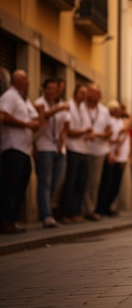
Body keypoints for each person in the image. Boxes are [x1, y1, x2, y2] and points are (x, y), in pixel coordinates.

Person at [0, 70, 39, 233]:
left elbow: (36, 119)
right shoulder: (10, 96)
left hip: (25, 150)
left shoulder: (24, 100)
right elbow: (2, 115)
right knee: (10, 186)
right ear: (16, 81)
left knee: (20, 185)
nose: (28, 82)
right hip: (12, 147)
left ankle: (12, 220)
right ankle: (5, 221)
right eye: (25, 79)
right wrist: (25, 124)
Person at [34, 78, 70, 228]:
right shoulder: (39, 102)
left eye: (55, 89)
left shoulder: (63, 105)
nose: (53, 92)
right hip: (44, 146)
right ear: (45, 89)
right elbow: (42, 118)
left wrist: (63, 137)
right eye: (49, 89)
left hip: (59, 148)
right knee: (45, 181)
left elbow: (67, 124)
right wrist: (57, 110)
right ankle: (46, 215)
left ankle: (45, 208)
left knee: (56, 181)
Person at [60, 84, 92, 223]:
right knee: (70, 182)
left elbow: (88, 128)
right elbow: (69, 132)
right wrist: (84, 132)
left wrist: (87, 133)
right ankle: (65, 213)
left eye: (85, 93)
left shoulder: (85, 109)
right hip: (72, 148)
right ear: (75, 93)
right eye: (81, 93)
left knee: (81, 182)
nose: (84, 96)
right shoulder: (69, 106)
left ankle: (76, 212)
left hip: (84, 149)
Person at [96, 101, 131, 217]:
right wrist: (113, 146)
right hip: (110, 154)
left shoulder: (121, 121)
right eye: (116, 109)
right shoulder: (109, 120)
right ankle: (101, 207)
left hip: (121, 156)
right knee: (107, 182)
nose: (119, 111)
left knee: (116, 183)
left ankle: (109, 206)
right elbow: (107, 137)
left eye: (120, 109)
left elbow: (129, 120)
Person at [83, 84, 112, 221]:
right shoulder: (80, 107)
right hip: (81, 148)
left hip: (99, 151)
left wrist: (98, 135)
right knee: (79, 180)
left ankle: (90, 209)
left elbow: (109, 132)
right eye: (91, 92)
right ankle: (77, 210)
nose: (93, 95)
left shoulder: (104, 111)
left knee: (94, 182)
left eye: (96, 92)